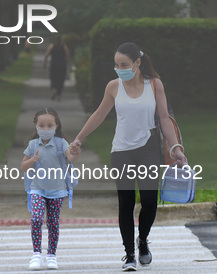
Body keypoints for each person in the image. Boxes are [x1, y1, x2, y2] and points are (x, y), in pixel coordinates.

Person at [71, 42, 187, 271]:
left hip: (148, 150)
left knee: (149, 202)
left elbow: (164, 118)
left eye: (124, 64)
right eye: (116, 65)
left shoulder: (154, 85)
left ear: (137, 63)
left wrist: (176, 147)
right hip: (121, 151)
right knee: (125, 203)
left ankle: (142, 241)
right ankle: (129, 254)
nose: (119, 69)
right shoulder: (114, 87)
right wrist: (78, 138)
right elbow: (99, 114)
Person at [20, 108, 80, 270]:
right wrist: (32, 160)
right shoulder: (33, 145)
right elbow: (23, 167)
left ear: (56, 126)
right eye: (42, 126)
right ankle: (36, 254)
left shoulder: (61, 143)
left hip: (57, 191)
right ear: (36, 126)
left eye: (49, 125)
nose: (45, 129)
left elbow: (71, 157)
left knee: (53, 223)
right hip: (37, 189)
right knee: (36, 219)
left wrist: (76, 152)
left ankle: (52, 255)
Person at [43, 36, 72, 101]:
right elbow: (68, 57)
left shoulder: (52, 46)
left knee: (53, 78)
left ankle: (54, 89)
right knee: (61, 80)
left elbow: (46, 55)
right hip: (62, 65)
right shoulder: (65, 47)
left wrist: (45, 63)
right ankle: (58, 95)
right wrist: (70, 66)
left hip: (54, 65)